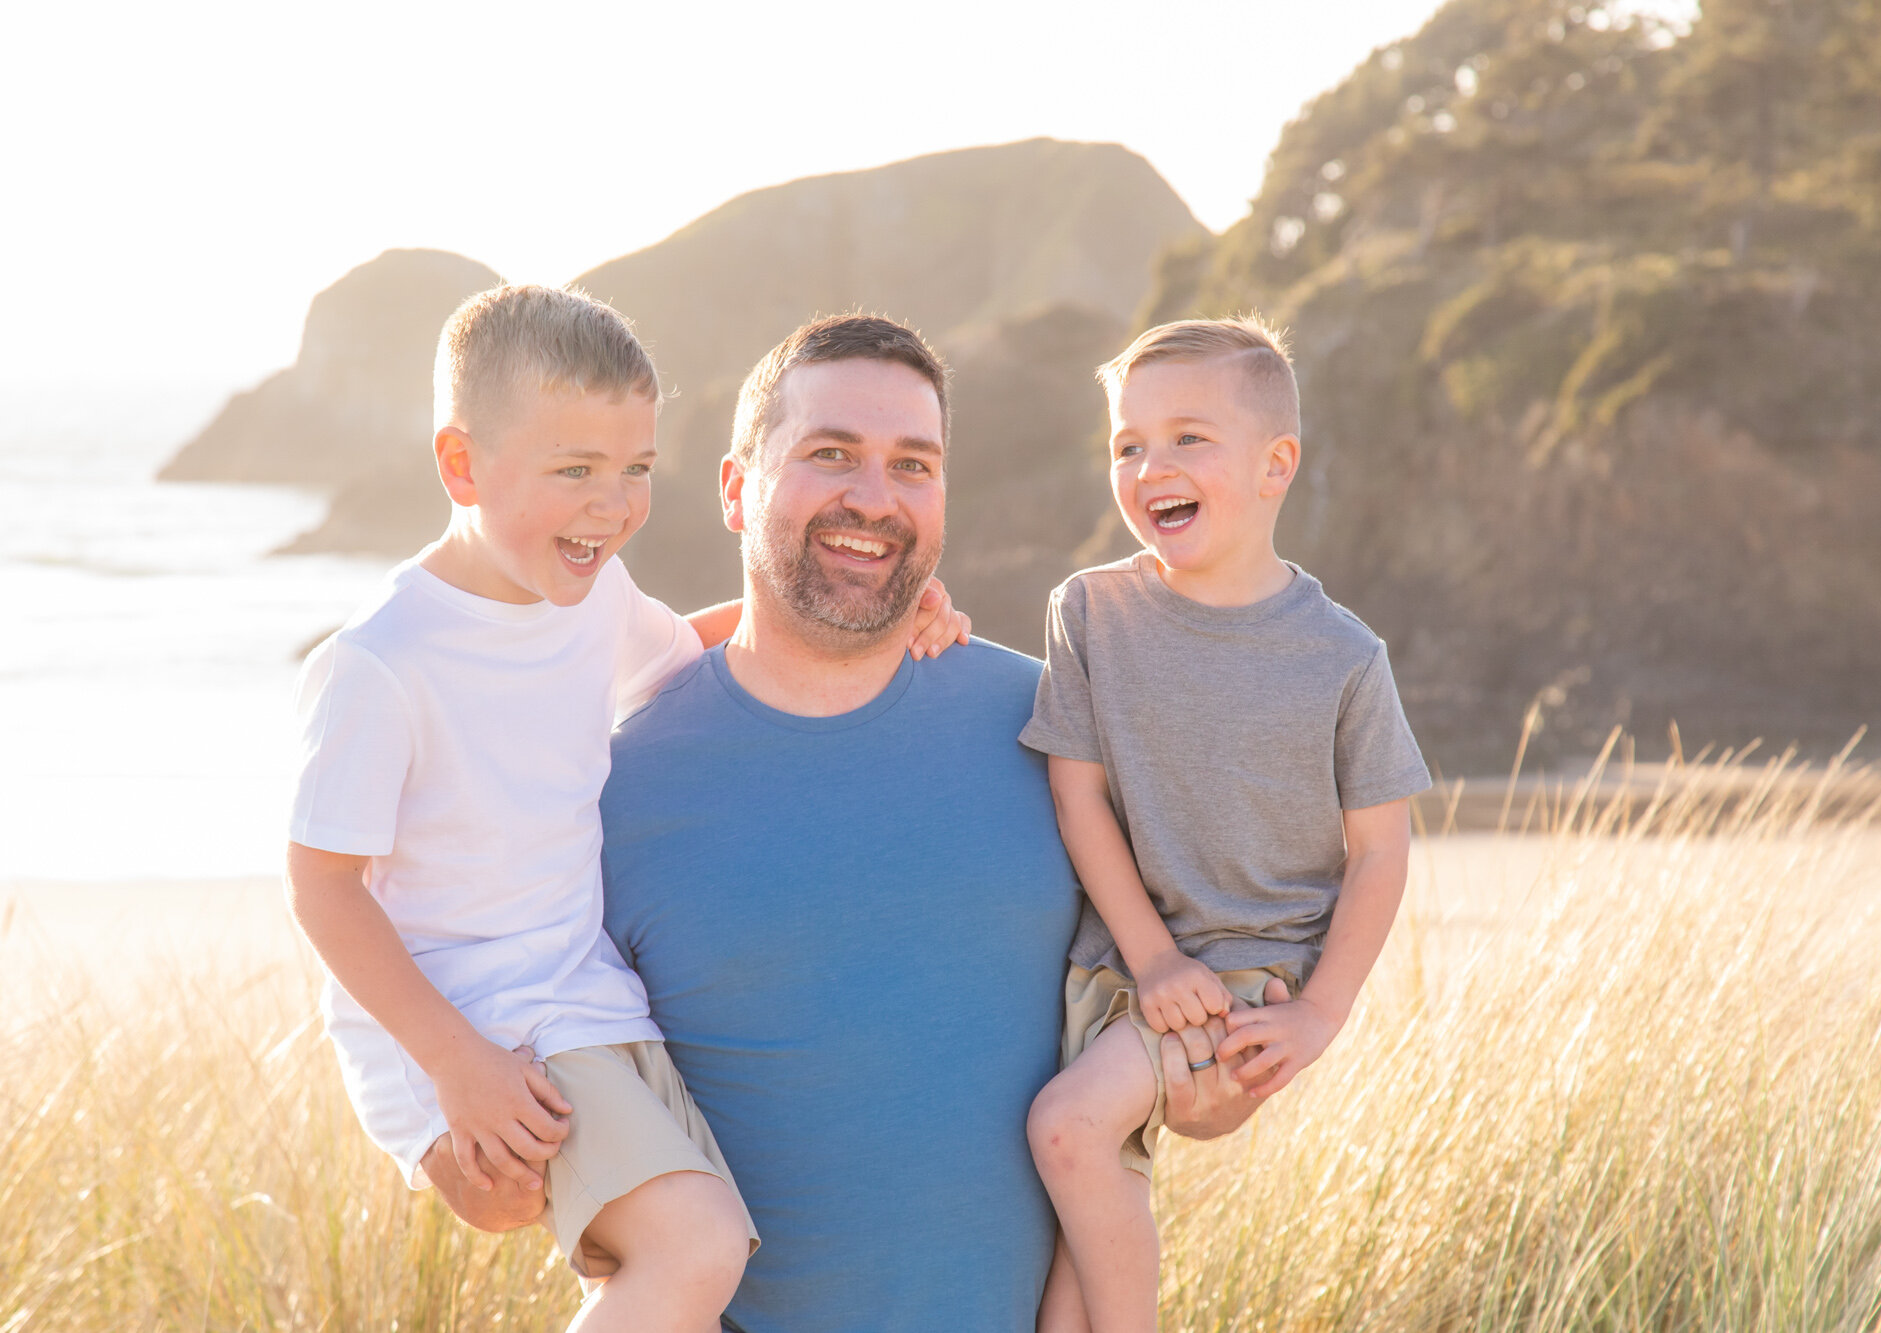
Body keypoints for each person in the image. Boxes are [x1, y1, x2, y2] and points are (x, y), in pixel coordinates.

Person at [432, 312, 1315, 1329]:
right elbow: (509, 1095)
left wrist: (1222, 1087)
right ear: (734, 489)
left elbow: (1187, 1004)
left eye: (913, 464)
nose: (874, 496)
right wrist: (476, 1177)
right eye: (830, 454)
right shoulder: (602, 790)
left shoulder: (1059, 736)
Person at [283, 287, 965, 1333]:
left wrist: (886, 612)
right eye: (575, 471)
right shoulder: (384, 662)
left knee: (693, 1255)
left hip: (581, 999)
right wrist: (456, 1074)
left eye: (634, 470)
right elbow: (322, 888)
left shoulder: (590, 594)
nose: (611, 506)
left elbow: (695, 653)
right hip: (478, 1024)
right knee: (693, 1247)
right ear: (462, 465)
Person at [1019, 318, 1432, 1333]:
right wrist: (1152, 963)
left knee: (1065, 1128)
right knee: (1066, 1272)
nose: (1150, 464)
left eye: (1187, 438)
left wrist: (1318, 1015)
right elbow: (1077, 798)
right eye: (1127, 444)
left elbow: (1381, 849)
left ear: (1272, 465)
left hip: (1249, 973)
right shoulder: (1089, 613)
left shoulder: (1340, 655)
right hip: (1120, 971)